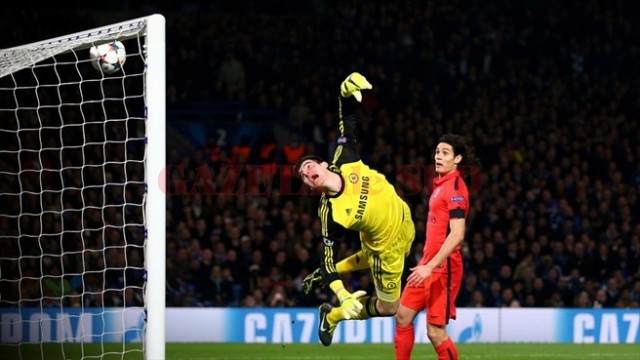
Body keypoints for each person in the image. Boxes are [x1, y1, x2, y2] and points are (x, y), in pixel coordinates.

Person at [294, 72, 416, 347]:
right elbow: (327, 258)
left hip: (405, 220)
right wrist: (342, 295)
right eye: (303, 175)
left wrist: (344, 94)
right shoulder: (331, 213)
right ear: (310, 187)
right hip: (386, 252)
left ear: (323, 164)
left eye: (310, 165)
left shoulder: (345, 158)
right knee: (390, 309)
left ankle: (331, 282)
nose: (308, 171)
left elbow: (347, 121)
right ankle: (333, 316)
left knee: (394, 249)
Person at [394, 134, 480, 360]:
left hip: (443, 268)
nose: (438, 156)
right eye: (437, 152)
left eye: (445, 153)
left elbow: (458, 234)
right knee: (403, 316)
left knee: (435, 332)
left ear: (457, 159)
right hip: (428, 264)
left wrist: (430, 267)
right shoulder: (440, 184)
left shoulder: (455, 188)